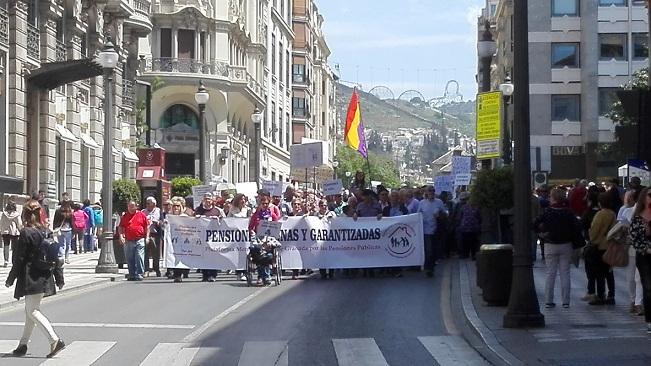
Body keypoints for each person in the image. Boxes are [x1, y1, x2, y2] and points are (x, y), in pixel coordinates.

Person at [4, 199, 66, 358]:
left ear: (25, 214)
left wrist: (11, 278)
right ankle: (22, 345)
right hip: (44, 276)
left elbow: (19, 258)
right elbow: (56, 255)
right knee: (29, 311)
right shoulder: (45, 230)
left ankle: (54, 340)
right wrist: (59, 278)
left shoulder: (26, 232)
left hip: (31, 276)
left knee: (33, 311)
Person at [534, 188, 581, 309]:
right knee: (565, 273)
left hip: (550, 244)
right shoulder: (568, 212)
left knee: (551, 273)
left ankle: (549, 301)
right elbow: (577, 226)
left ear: (553, 198)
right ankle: (566, 301)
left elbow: (534, 223)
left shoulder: (547, 212)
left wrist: (541, 233)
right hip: (566, 244)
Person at [628, 187, 651, 333]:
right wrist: (646, 248)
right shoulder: (637, 218)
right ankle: (650, 320)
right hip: (645, 256)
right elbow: (634, 239)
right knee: (648, 288)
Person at [588, 193, 617, 305]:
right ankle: (611, 295)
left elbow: (594, 230)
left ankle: (601, 296)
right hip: (610, 245)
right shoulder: (612, 214)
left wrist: (591, 237)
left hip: (600, 246)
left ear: (600, 202)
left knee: (599, 273)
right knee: (609, 272)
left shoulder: (600, 214)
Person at [619, 190, 644, 315]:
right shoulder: (627, 212)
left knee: (637, 277)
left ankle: (637, 302)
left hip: (640, 248)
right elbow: (621, 229)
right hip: (632, 248)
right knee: (632, 277)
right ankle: (634, 301)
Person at [248, 193, 280, 285]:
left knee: (268, 255)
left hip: (269, 239)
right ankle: (261, 276)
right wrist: (252, 233)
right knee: (257, 253)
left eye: (266, 203)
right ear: (260, 204)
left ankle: (266, 275)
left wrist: (272, 237)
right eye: (263, 203)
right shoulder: (256, 215)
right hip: (259, 238)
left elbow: (276, 226)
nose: (265, 205)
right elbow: (250, 227)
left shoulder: (272, 215)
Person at [417, 186, 447, 278]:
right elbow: (417, 215)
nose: (431, 192)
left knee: (434, 250)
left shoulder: (439, 202)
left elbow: (446, 213)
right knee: (428, 250)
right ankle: (429, 268)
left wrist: (441, 214)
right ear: (426, 192)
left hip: (435, 230)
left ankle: (431, 267)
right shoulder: (422, 203)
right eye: (430, 191)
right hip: (426, 230)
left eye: (433, 191)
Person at [353, 189, 383, 278]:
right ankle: (365, 269)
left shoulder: (377, 205)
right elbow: (357, 214)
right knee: (365, 251)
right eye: (364, 197)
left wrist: (380, 215)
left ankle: (372, 269)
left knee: (373, 251)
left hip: (374, 232)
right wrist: (355, 214)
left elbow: (381, 214)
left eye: (368, 196)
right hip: (364, 232)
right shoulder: (360, 205)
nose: (366, 198)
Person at [195, 193, 224, 282]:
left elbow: (225, 222)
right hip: (202, 236)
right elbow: (192, 221)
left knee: (213, 256)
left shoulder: (218, 210)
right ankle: (205, 274)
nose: (207, 201)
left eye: (209, 199)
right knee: (203, 256)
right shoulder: (198, 210)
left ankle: (212, 274)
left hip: (214, 237)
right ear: (203, 200)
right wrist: (196, 218)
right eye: (205, 199)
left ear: (212, 200)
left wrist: (218, 219)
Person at [118, 201, 149, 281]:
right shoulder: (125, 216)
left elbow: (147, 226)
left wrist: (147, 237)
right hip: (128, 240)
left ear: (136, 207)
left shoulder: (141, 215)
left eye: (132, 206)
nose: (131, 208)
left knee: (139, 256)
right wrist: (121, 236)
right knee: (129, 258)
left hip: (140, 239)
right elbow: (121, 227)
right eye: (129, 206)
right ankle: (132, 274)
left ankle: (139, 273)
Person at [168, 197, 191, 283]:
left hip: (184, 241)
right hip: (173, 241)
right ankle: (177, 275)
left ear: (182, 206)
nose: (176, 208)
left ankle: (182, 272)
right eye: (174, 206)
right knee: (174, 257)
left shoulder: (185, 217)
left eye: (178, 206)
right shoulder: (169, 217)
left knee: (182, 257)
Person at [314, 199, 336, 279]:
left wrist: (332, 218)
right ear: (319, 206)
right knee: (321, 256)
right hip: (320, 238)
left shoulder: (331, 213)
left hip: (330, 238)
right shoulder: (316, 214)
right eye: (322, 205)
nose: (324, 207)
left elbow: (337, 221)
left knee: (331, 255)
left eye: (325, 205)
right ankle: (322, 272)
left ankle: (331, 272)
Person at [142, 197, 162, 277]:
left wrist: (157, 222)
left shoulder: (159, 211)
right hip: (145, 235)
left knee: (156, 254)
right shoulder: (143, 212)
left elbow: (162, 221)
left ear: (154, 204)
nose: (147, 205)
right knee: (145, 253)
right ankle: (146, 270)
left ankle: (156, 269)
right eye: (146, 203)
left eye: (148, 203)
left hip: (155, 234)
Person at [458, 192, 481, 260]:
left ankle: (471, 255)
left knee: (471, 242)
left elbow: (479, 217)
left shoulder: (475, 207)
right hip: (467, 228)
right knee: (468, 242)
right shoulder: (463, 207)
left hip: (471, 228)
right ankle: (467, 254)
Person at [1, 201, 22, 267]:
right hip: (14, 232)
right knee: (15, 248)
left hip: (5, 232)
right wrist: (21, 230)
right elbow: (19, 224)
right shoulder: (16, 214)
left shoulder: (4, 214)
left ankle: (6, 261)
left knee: (6, 246)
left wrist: (2, 230)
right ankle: (14, 261)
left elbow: (1, 223)